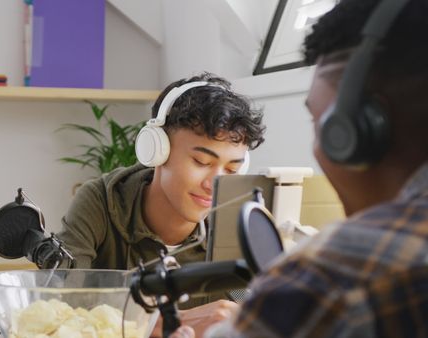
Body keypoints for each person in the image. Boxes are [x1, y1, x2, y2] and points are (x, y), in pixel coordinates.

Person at [173, 0, 428, 337]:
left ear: (350, 132)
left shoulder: (333, 277)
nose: (214, 180)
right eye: (201, 162)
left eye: (318, 122)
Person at [57, 71, 265, 309]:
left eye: (230, 168)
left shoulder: (236, 222)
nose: (214, 185)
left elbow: (252, 311)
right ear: (157, 150)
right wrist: (176, 322)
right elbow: (64, 298)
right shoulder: (100, 200)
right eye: (201, 162)